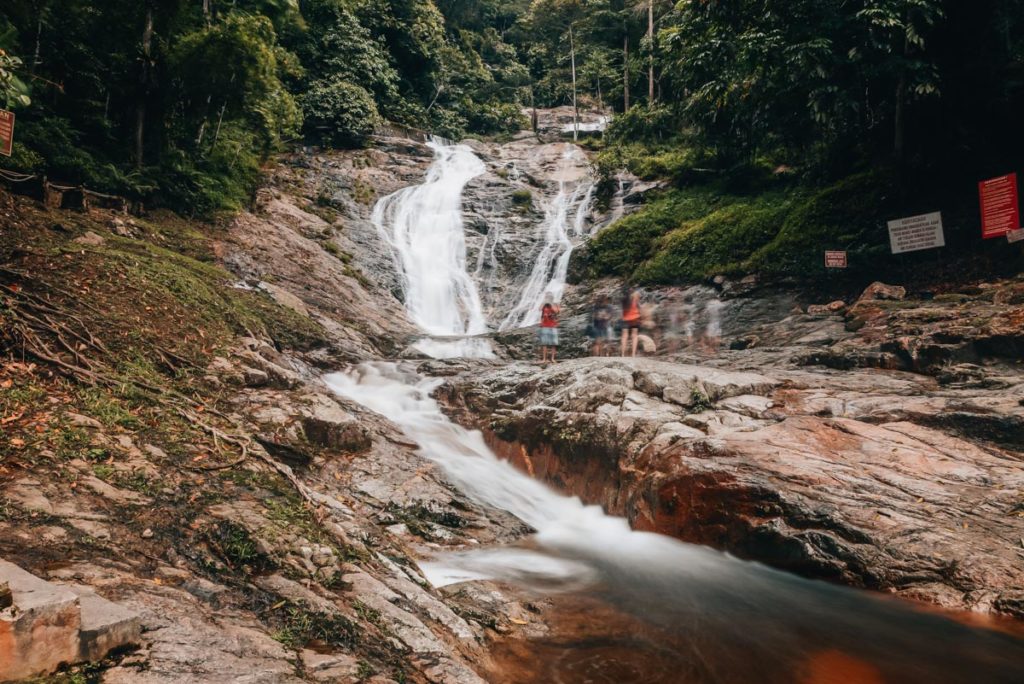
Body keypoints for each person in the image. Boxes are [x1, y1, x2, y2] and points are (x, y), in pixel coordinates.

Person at [538, 293, 560, 364]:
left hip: (553, 326)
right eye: (547, 297)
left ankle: (552, 358)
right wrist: (544, 302)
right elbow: (539, 309)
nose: (548, 298)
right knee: (544, 343)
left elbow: (556, 311)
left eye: (549, 297)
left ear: (552, 298)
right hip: (544, 326)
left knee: (553, 343)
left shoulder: (555, 304)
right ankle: (544, 359)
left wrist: (551, 303)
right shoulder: (544, 305)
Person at [620, 286, 641, 357]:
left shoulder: (623, 298)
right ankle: (633, 354)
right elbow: (638, 305)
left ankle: (623, 354)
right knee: (634, 335)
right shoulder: (636, 295)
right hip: (635, 317)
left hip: (625, 318)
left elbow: (623, 308)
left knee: (624, 336)